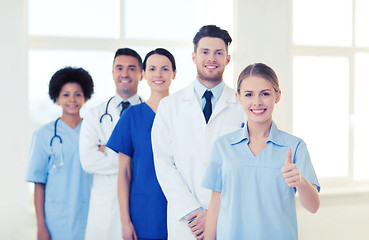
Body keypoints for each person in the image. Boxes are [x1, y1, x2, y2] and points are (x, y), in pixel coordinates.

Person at [202, 63, 321, 240]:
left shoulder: (295, 147)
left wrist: (301, 181)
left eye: (265, 94)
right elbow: (214, 206)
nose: (257, 102)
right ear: (238, 97)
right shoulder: (223, 146)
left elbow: (313, 206)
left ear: (277, 95)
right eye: (249, 95)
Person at [151, 25, 246, 240]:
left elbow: (245, 166)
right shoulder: (170, 106)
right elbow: (163, 163)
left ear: (227, 59)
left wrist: (214, 213)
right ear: (194, 57)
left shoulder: (242, 106)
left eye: (218, 53)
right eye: (205, 52)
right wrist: (193, 212)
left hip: (228, 217)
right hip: (187, 223)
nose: (211, 58)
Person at [107, 48, 176, 240]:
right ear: (144, 74)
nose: (159, 74)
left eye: (165, 68)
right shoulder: (132, 116)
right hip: (143, 210)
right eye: (152, 69)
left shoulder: (183, 115)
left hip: (179, 207)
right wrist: (125, 221)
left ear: (174, 74)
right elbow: (124, 172)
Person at [79, 48, 143, 240]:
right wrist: (133, 158)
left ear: (142, 74)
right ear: (112, 73)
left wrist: (109, 151)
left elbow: (156, 162)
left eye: (132, 68)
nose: (125, 73)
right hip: (104, 207)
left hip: (139, 202)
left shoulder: (151, 113)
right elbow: (88, 161)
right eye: (119, 68)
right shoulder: (94, 114)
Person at [26, 67, 94, 240]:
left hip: (90, 214)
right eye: (66, 94)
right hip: (56, 219)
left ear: (85, 97)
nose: (72, 99)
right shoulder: (43, 135)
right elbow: (39, 183)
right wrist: (41, 225)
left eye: (78, 94)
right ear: (56, 98)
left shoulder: (94, 132)